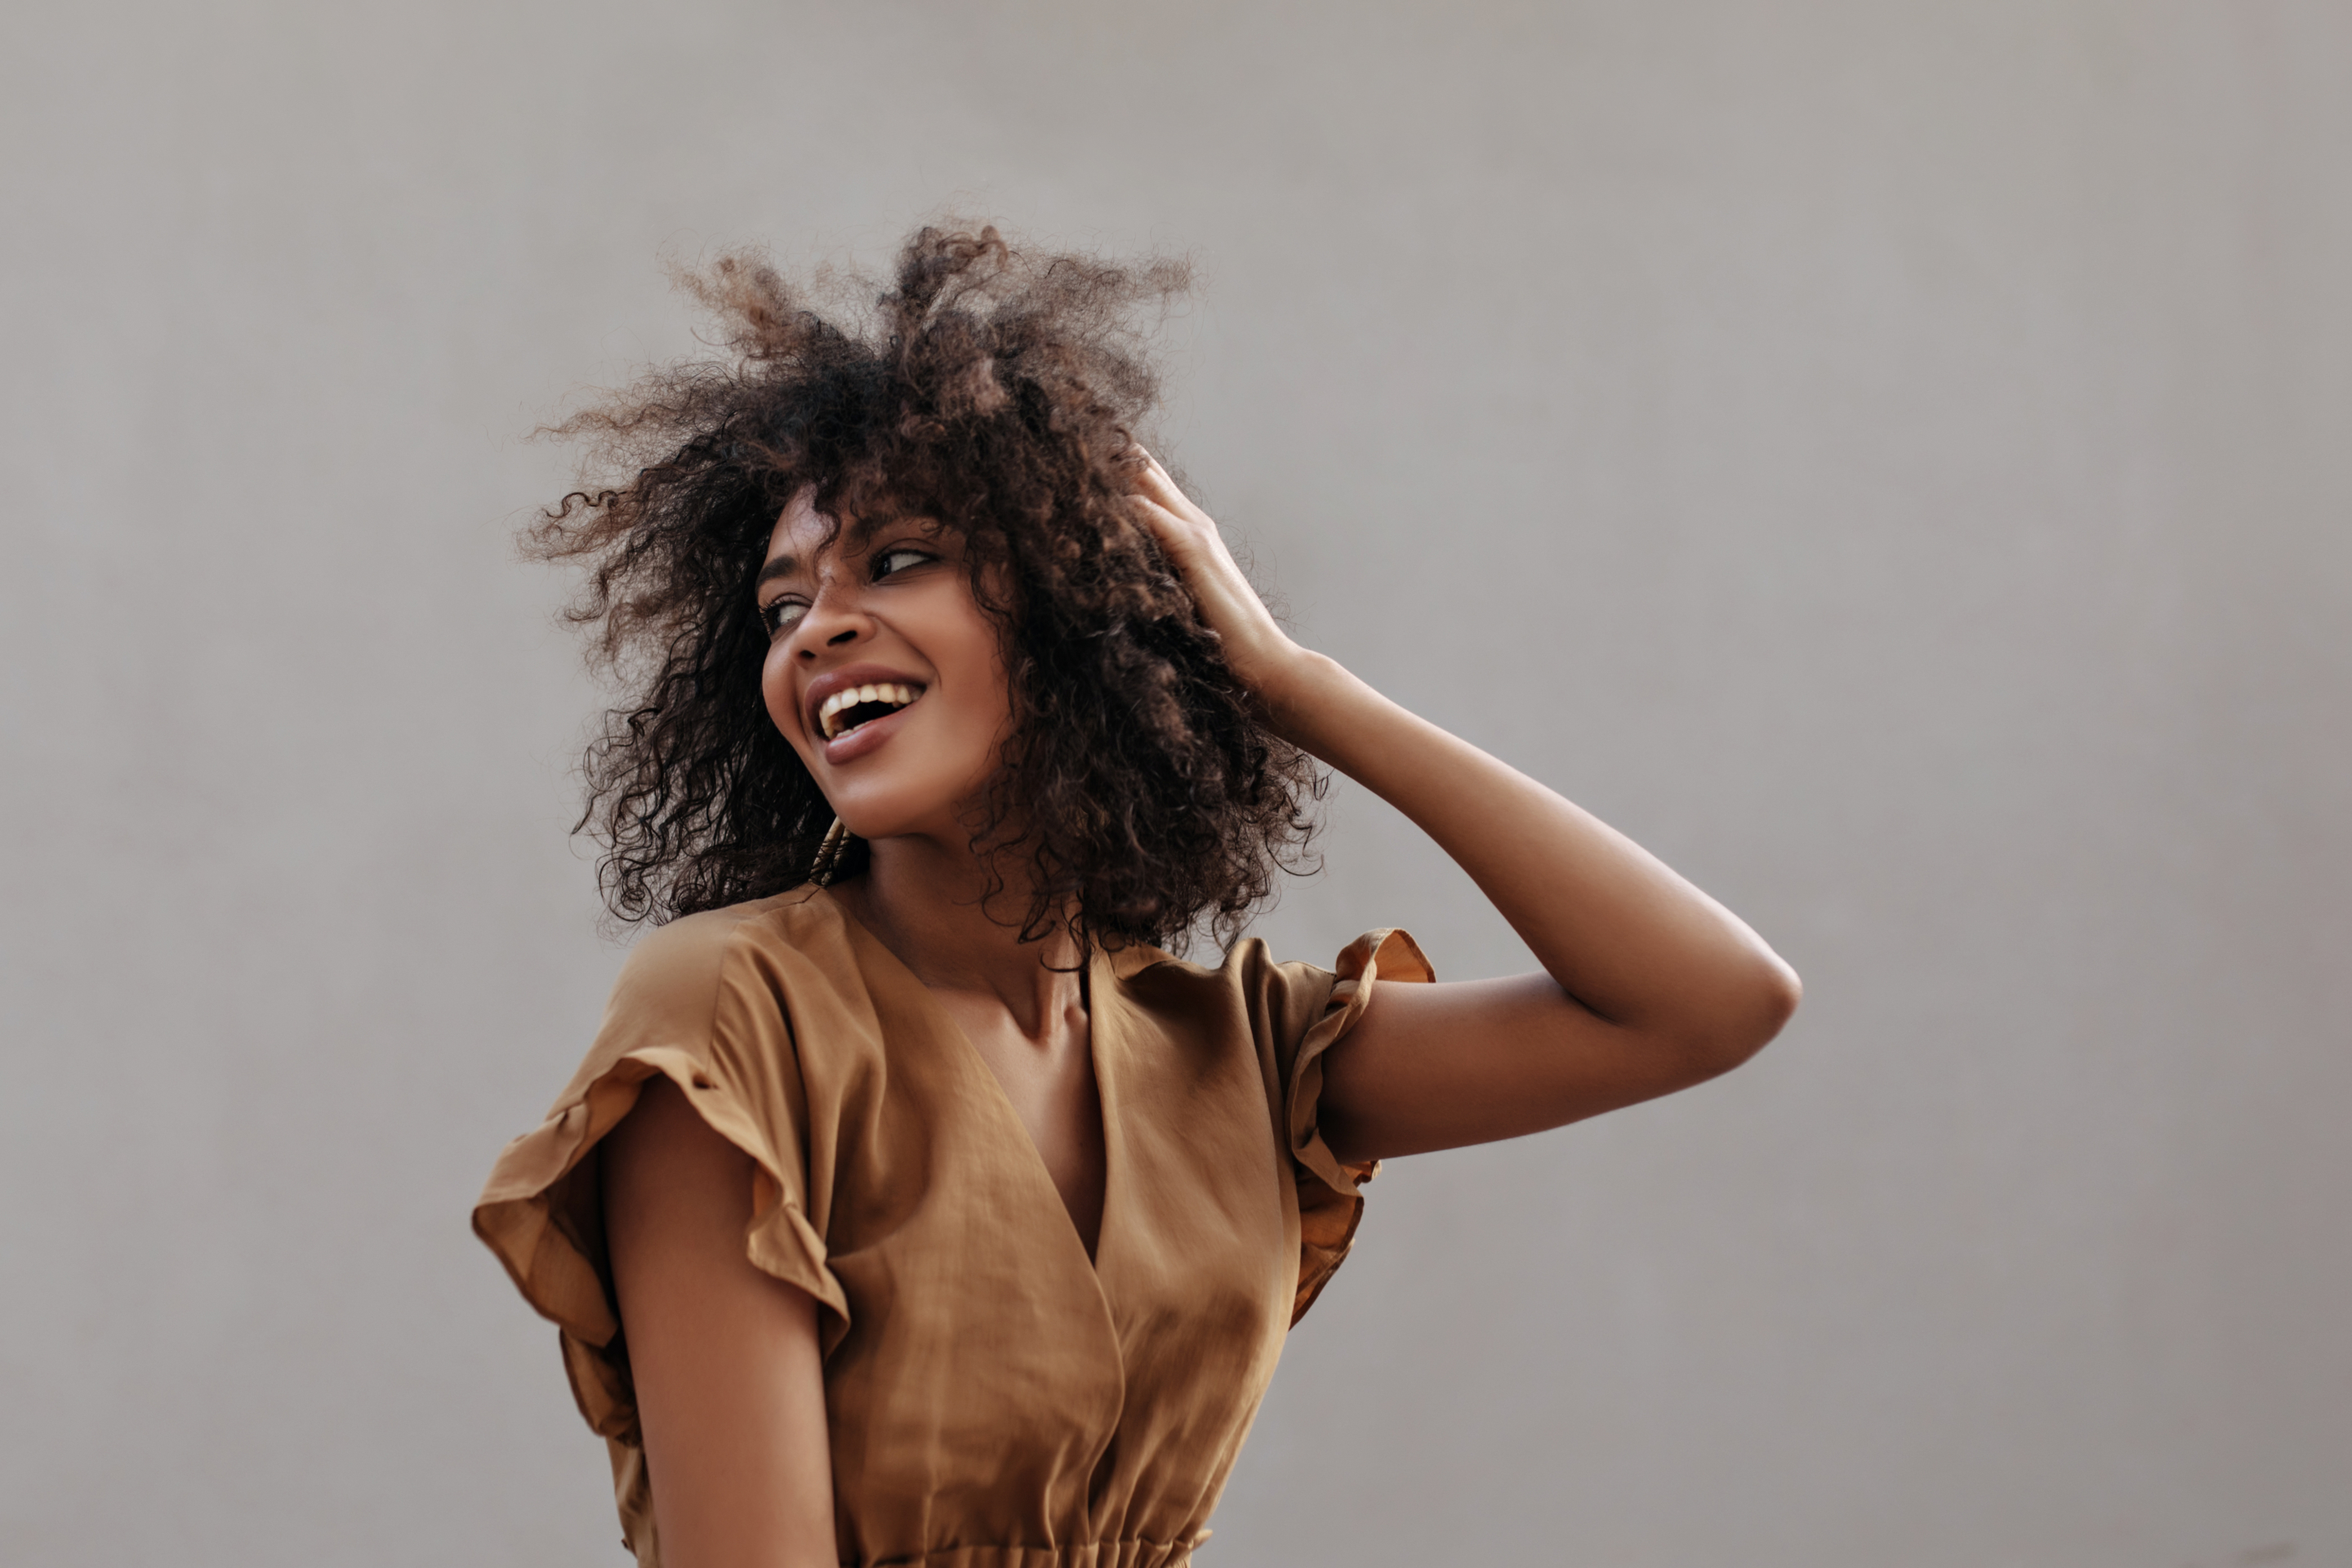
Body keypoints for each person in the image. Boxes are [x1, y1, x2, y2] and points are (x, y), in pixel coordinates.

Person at [474, 225, 1799, 1568]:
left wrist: (1290, 682)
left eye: (894, 561)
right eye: (779, 607)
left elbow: (1706, 1003)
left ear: (1068, 611)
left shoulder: (1237, 1058)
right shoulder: (734, 1017)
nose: (816, 626)